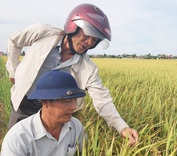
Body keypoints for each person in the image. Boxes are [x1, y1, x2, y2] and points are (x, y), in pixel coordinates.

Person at [6, 3, 138, 146]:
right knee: (16, 143)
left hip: (56, 113)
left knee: (49, 147)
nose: (89, 43)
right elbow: (14, 41)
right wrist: (14, 71)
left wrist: (122, 127)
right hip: (25, 103)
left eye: (95, 40)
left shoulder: (88, 68)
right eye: (88, 35)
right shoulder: (44, 33)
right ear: (73, 26)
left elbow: (102, 99)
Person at [1, 70, 87, 156]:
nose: (74, 107)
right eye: (67, 101)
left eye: (75, 100)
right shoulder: (19, 137)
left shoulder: (76, 127)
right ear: (45, 102)